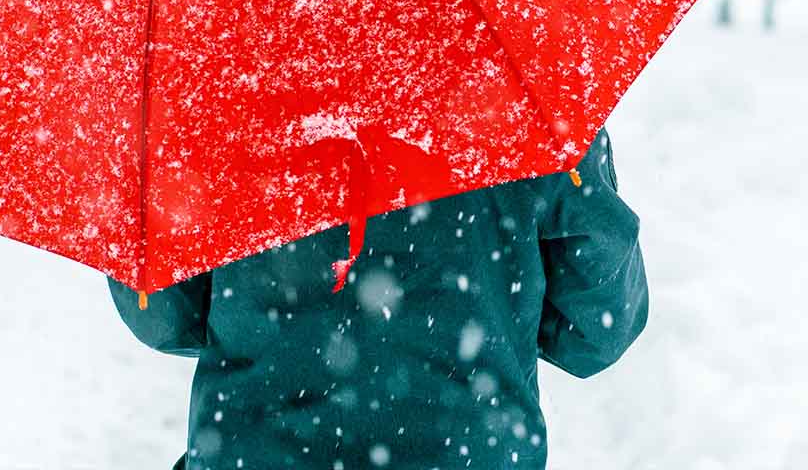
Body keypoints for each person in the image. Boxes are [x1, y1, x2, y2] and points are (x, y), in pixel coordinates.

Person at [106, 126, 648, 469]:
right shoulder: (523, 96)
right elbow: (596, 332)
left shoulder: (209, 92)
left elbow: (166, 317)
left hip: (253, 452)